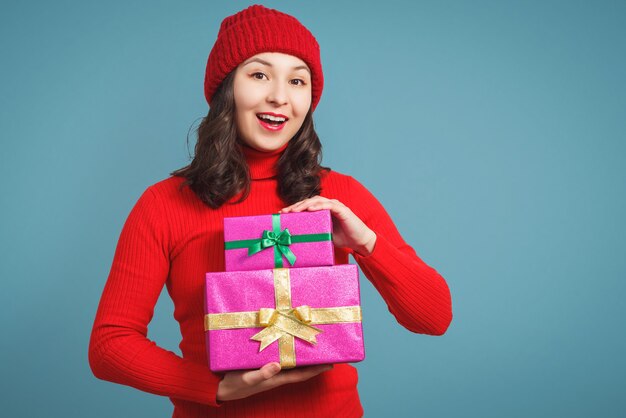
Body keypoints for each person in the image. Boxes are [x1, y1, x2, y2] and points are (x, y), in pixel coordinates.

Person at [89, 4, 453, 418]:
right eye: (259, 74)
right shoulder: (163, 203)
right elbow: (110, 344)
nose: (279, 96)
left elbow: (434, 317)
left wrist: (367, 243)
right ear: (227, 87)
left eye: (297, 80)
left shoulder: (340, 195)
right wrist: (217, 390)